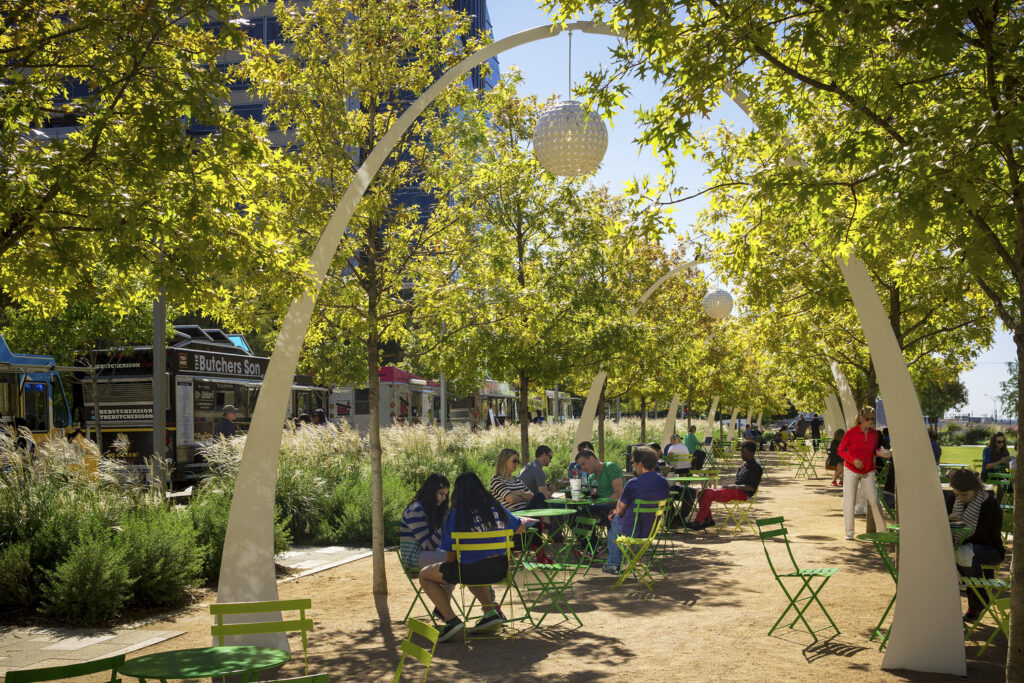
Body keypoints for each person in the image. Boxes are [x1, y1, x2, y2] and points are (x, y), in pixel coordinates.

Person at [419, 472, 526, 641]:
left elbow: (450, 559)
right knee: (473, 569)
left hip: (471, 571)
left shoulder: (454, 516)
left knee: (425, 575)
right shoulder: (496, 508)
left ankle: (451, 621)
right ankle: (490, 612)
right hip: (500, 570)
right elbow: (521, 528)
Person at [948, 469, 1005, 622]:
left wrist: (961, 525)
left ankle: (977, 602)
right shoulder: (955, 500)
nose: (960, 498)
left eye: (964, 495)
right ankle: (977, 600)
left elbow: (988, 538)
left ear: (975, 489)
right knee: (959, 554)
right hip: (962, 551)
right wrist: (949, 519)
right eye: (957, 494)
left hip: (991, 550)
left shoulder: (990, 505)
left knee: (963, 553)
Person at [603, 446, 670, 575]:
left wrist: (614, 513)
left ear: (640, 463)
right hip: (651, 529)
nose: (632, 465)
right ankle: (618, 562)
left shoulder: (633, 483)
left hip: (632, 528)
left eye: (633, 462)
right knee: (616, 518)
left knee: (613, 521)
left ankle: (613, 564)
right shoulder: (663, 482)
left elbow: (620, 509)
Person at [837, 406, 888, 540]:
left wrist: (882, 453)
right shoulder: (851, 433)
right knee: (849, 501)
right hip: (851, 471)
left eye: (872, 419)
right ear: (861, 418)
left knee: (874, 500)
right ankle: (849, 533)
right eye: (867, 419)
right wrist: (853, 460)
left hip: (868, 471)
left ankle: (883, 531)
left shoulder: (875, 434)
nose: (870, 422)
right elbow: (841, 450)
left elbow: (874, 450)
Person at [687, 441, 763, 529]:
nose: (742, 455)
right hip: (734, 490)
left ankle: (697, 522)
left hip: (742, 494)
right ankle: (708, 520)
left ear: (752, 453)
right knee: (701, 492)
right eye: (741, 452)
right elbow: (737, 483)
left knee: (708, 494)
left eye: (744, 453)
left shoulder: (756, 468)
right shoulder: (742, 467)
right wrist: (729, 487)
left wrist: (732, 487)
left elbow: (751, 488)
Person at [399, 474, 450, 568]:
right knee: (455, 558)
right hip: (414, 557)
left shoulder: (431, 509)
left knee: (458, 556)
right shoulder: (416, 509)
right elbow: (427, 546)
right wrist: (447, 526)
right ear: (431, 492)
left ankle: (436, 583)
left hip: (428, 554)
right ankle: (437, 583)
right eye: (441, 494)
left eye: (446, 495)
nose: (444, 499)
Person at [574, 448, 624, 519]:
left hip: (617, 507)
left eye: (583, 464)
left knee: (583, 512)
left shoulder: (610, 467)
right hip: (601, 509)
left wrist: (601, 504)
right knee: (573, 514)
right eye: (580, 466)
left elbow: (619, 494)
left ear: (592, 458)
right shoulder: (591, 477)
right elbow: (594, 497)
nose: (582, 468)